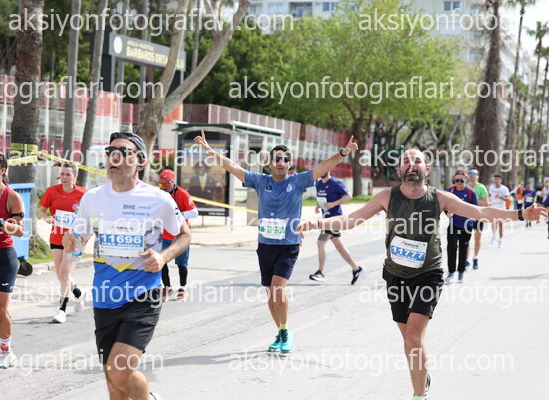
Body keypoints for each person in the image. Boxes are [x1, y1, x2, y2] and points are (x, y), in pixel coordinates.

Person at [296, 149, 545, 400]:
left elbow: (480, 212)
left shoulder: (439, 198)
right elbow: (351, 219)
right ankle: (422, 377)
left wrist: (520, 214)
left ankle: (418, 395)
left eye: (417, 161)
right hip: (396, 274)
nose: (411, 164)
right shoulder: (386, 197)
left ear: (426, 169)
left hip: (428, 273)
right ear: (399, 170)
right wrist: (317, 223)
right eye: (406, 161)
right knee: (409, 340)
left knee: (414, 337)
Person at [194, 130, 358, 354]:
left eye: (285, 159)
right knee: (270, 292)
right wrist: (209, 150)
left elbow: (322, 167)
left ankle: (286, 331)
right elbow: (232, 167)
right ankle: (280, 331)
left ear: (290, 164)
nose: (281, 162)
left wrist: (343, 153)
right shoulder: (259, 181)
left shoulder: (298, 181)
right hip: (265, 245)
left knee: (278, 289)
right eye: (277, 159)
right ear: (270, 163)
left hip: (288, 245)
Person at [64, 132, 191, 399]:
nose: (114, 157)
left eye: (123, 152)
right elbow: (78, 239)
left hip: (143, 295)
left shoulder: (159, 199)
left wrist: (163, 257)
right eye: (110, 151)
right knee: (114, 383)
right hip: (105, 296)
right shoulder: (92, 198)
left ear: (141, 161)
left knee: (119, 369)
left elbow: (184, 235)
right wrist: (71, 241)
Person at [39, 163, 87, 323]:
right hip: (56, 237)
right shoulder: (52, 191)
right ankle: (78, 293)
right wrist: (46, 217)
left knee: (65, 274)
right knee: (61, 275)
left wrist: (85, 234)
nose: (64, 177)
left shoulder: (83, 194)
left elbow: (90, 216)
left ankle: (61, 310)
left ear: (75, 177)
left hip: (75, 239)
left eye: (68, 174)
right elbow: (41, 210)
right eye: (62, 174)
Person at [309, 171, 364, 284]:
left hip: (335, 219)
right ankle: (357, 269)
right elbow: (322, 198)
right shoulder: (318, 184)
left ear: (329, 170)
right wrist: (318, 205)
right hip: (325, 218)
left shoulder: (335, 183)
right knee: (339, 247)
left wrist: (334, 204)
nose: (322, 171)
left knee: (320, 242)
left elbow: (349, 196)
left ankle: (320, 272)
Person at [0, 152, 25, 369]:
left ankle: (7, 352)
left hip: (3, 257)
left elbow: (20, 231)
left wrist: (1, 223)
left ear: (2, 170)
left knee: (0, 310)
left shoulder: (12, 197)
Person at [158, 169, 199, 301]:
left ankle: (183, 287)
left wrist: (179, 214)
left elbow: (194, 212)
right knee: (162, 261)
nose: (163, 187)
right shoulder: (160, 194)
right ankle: (167, 287)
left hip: (181, 235)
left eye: (165, 184)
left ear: (172, 182)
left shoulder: (182, 193)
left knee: (181, 263)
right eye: (161, 184)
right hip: (165, 233)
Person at [445, 171, 478, 284]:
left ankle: (461, 273)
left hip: (466, 225)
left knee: (463, 250)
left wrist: (474, 222)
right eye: (456, 180)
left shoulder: (470, 192)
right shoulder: (450, 191)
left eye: (461, 180)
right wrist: (447, 213)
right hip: (453, 225)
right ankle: (451, 273)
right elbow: (444, 205)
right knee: (451, 249)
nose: (459, 183)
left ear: (466, 180)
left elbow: (476, 208)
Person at [467, 168, 489, 269]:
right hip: (467, 216)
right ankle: (467, 260)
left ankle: (475, 258)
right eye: (470, 173)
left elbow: (486, 203)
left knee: (477, 238)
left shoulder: (481, 187)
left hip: (479, 216)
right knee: (466, 239)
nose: (471, 175)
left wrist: (474, 200)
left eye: (474, 173)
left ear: (477, 176)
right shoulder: (465, 187)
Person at [488, 175, 510, 248]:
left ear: (500, 180)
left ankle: (501, 240)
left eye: (497, 179)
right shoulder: (491, 187)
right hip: (493, 207)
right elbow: (489, 195)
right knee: (494, 222)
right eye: (495, 179)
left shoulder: (504, 189)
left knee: (501, 224)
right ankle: (494, 235)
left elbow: (508, 198)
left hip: (501, 207)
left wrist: (501, 197)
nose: (496, 181)